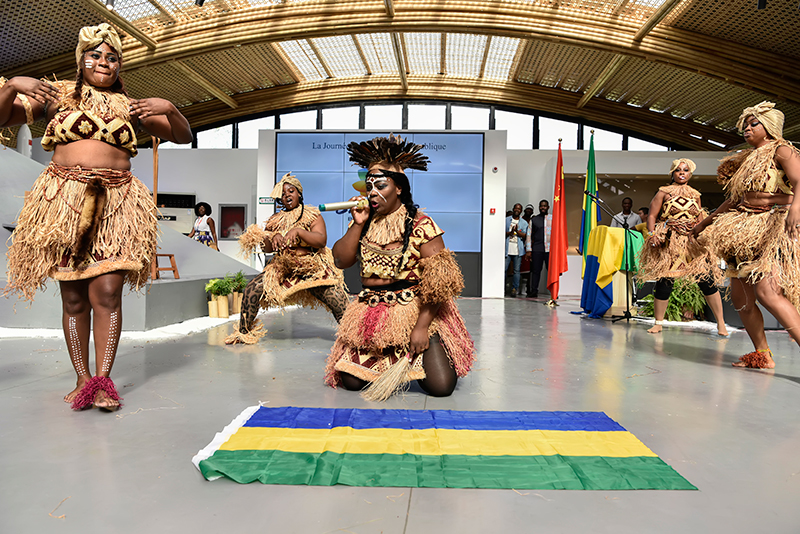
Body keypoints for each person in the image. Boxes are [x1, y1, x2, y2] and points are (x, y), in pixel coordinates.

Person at [0, 24, 192, 410]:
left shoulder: (132, 107)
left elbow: (183, 135)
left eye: (111, 57)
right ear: (81, 60)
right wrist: (11, 86)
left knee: (107, 292)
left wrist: (169, 108)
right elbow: (3, 118)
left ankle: (103, 381)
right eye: (95, 55)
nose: (104, 62)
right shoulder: (57, 97)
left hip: (117, 204)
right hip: (64, 202)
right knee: (73, 300)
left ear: (120, 64)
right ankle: (81, 379)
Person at [325, 135, 475, 399]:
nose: (371, 192)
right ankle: (390, 364)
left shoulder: (421, 224)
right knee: (351, 382)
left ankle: (401, 362)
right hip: (370, 311)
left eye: (380, 185)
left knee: (441, 387)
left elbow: (439, 285)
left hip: (414, 310)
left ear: (399, 189)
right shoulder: (365, 221)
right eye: (368, 186)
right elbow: (340, 260)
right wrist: (358, 224)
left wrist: (421, 327)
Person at [694, 102, 800, 369]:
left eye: (754, 124)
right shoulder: (745, 158)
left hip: (773, 226)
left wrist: (795, 209)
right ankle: (762, 354)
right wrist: (703, 224)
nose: (747, 128)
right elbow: (734, 200)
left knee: (768, 292)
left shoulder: (782, 150)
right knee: (742, 300)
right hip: (742, 231)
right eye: (746, 124)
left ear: (770, 126)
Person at [225, 173, 350, 344]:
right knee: (252, 289)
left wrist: (299, 231)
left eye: (291, 191)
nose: (287, 196)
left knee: (335, 297)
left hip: (311, 266)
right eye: (283, 194)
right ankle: (243, 332)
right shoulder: (274, 219)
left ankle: (353, 334)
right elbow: (266, 248)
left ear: (299, 193)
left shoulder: (312, 214)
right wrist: (272, 237)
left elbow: (321, 241)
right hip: (283, 266)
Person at [638, 159, 728, 336]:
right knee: (665, 281)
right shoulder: (663, 192)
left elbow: (700, 218)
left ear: (690, 174)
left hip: (692, 243)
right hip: (671, 242)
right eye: (678, 170)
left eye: (685, 170)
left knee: (706, 280)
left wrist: (704, 237)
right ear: (672, 173)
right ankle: (658, 323)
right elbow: (652, 215)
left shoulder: (695, 194)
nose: (681, 173)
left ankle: (721, 323)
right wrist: (652, 234)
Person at [524, 199, 551, 298]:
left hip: (550, 249)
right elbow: (528, 235)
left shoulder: (553, 219)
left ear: (548, 207)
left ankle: (554, 292)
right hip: (537, 249)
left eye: (545, 206)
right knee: (536, 271)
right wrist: (528, 250)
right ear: (539, 207)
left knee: (551, 271)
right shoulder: (534, 220)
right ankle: (534, 291)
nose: (543, 207)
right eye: (541, 206)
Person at [505, 203, 528, 297]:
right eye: (516, 208)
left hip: (518, 250)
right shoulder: (506, 220)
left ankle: (514, 289)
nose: (517, 210)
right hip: (507, 248)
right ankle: (502, 288)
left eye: (519, 209)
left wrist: (517, 232)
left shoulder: (524, 223)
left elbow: (526, 235)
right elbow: (501, 232)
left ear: (521, 211)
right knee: (504, 269)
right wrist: (510, 232)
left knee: (516, 271)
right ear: (513, 209)